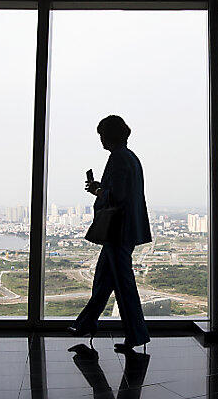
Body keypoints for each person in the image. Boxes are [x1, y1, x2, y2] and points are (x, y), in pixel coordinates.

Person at [68, 115, 151, 352]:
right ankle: (86, 324)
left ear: (111, 135)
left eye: (102, 135)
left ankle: (136, 334)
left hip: (118, 231)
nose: (101, 140)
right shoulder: (131, 158)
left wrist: (97, 190)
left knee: (123, 284)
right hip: (126, 229)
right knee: (104, 279)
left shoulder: (118, 159)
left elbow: (116, 196)